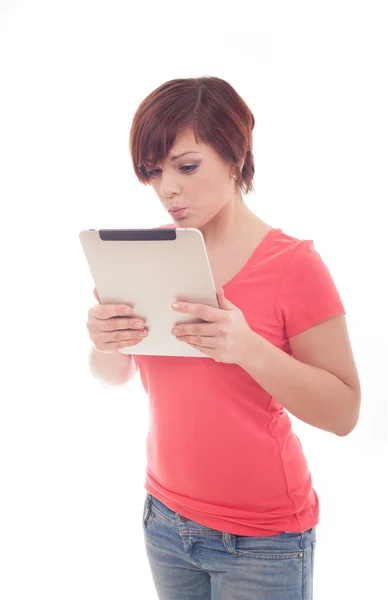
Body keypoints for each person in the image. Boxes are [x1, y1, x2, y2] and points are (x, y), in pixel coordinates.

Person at [86, 76, 361, 600]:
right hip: (165, 521)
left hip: (263, 542)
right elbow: (112, 376)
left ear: (235, 157)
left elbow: (345, 412)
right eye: (153, 171)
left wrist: (247, 349)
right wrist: (105, 342)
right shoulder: (147, 254)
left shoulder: (294, 265)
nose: (167, 188)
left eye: (186, 166)